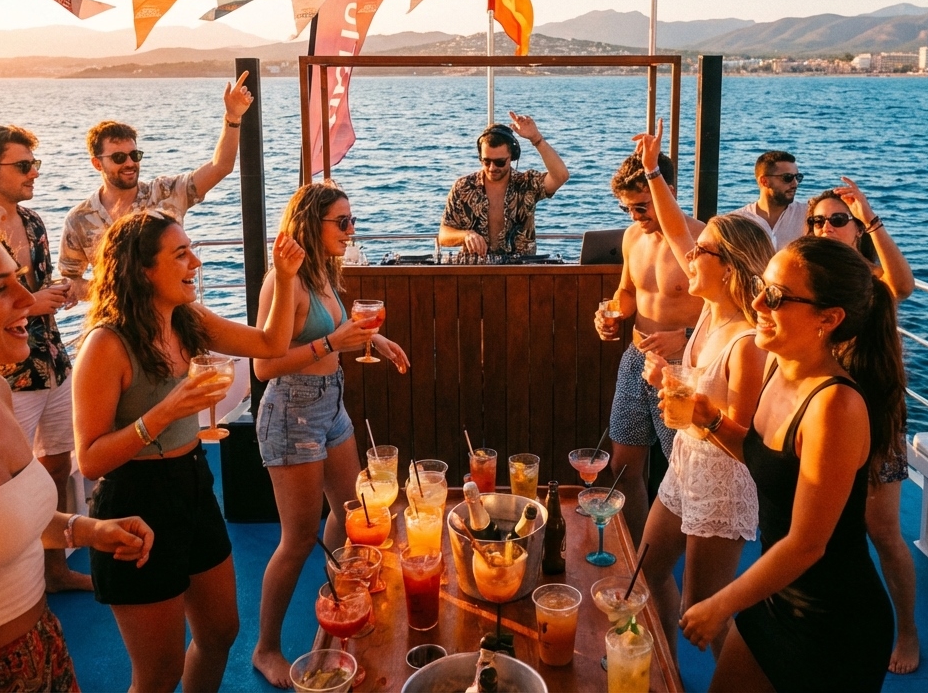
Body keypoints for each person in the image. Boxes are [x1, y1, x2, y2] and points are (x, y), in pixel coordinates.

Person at [0, 200, 152, 692]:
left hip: (44, 649)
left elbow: (6, 519)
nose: (26, 298)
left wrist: (87, 530)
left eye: (19, 278)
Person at [72, 210, 303, 692]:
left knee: (221, 633)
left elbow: (271, 343)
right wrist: (162, 413)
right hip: (135, 505)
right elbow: (90, 459)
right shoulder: (107, 344)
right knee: (159, 673)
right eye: (181, 254)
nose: (195, 262)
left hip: (194, 484)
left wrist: (282, 278)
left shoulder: (188, 320)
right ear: (142, 270)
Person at [680, 236, 906, 693]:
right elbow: (764, 458)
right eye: (763, 286)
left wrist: (720, 604)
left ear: (829, 318)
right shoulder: (779, 369)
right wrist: (708, 420)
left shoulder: (835, 407)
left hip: (834, 622)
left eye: (777, 296)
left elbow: (807, 544)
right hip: (777, 596)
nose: (758, 301)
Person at [252, 182, 409, 688]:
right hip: (292, 410)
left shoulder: (320, 271)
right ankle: (266, 648)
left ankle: (341, 602)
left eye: (352, 221)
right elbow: (262, 367)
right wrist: (331, 341)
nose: (350, 229)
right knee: (297, 539)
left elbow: (338, 330)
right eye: (341, 222)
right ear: (310, 224)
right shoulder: (285, 282)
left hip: (331, 405)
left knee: (350, 512)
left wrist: (376, 339)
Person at [634, 126, 774, 663]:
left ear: (732, 264)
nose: (689, 257)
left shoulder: (748, 342)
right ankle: (665, 667)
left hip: (723, 484)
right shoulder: (712, 312)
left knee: (705, 612)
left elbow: (745, 443)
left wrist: (697, 412)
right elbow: (676, 230)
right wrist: (651, 171)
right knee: (648, 567)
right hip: (684, 468)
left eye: (703, 252)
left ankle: (742, 677)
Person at [0, 123, 92, 595]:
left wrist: (59, 294)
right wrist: (33, 302)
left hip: (52, 361)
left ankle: (54, 570)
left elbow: (37, 287)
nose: (33, 173)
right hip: (5, 374)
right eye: (23, 166)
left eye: (34, 164)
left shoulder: (35, 223)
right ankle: (11, 580)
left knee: (57, 465)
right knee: (3, 477)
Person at [805, 178, 919, 674]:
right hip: (822, 411)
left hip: (874, 411)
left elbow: (905, 285)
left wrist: (869, 215)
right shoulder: (807, 279)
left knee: (883, 530)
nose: (826, 228)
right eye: (817, 221)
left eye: (836, 220)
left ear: (854, 228)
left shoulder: (871, 280)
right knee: (820, 528)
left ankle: (908, 629)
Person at [58, 71, 254, 299]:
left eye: (135, 155)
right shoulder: (79, 219)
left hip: (175, 317)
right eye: (119, 158)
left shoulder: (165, 192)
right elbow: (69, 280)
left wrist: (232, 117)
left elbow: (221, 166)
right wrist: (116, 289)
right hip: (117, 324)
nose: (130, 163)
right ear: (97, 163)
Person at [595, 144, 705, 544]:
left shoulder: (704, 240)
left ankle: (689, 552)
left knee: (688, 470)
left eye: (642, 206)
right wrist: (609, 314)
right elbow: (626, 292)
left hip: (683, 371)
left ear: (667, 192)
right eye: (628, 209)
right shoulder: (631, 237)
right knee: (623, 467)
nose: (635, 217)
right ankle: (639, 550)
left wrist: (687, 337)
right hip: (635, 360)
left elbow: (728, 313)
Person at [438, 112, 569, 256]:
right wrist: (465, 235)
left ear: (512, 157)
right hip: (475, 271)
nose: (492, 168)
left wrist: (536, 139)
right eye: (486, 161)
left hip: (519, 273)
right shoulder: (463, 187)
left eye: (500, 162)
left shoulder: (526, 184)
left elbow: (560, 176)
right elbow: (443, 235)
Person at [734, 150, 807, 249]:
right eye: (787, 177)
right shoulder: (737, 221)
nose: (795, 184)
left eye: (798, 177)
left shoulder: (808, 214)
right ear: (764, 181)